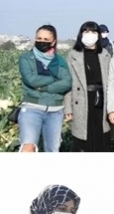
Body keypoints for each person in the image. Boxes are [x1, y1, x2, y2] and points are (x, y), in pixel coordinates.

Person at [17, 24, 72, 152]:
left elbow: (67, 82)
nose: (42, 41)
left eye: (46, 40)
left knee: (52, 150)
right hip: (32, 107)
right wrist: (54, 79)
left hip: (55, 110)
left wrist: (43, 88)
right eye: (39, 38)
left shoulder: (59, 61)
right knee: (28, 147)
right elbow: (31, 80)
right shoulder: (26, 58)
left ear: (53, 42)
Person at [64, 21, 114, 152]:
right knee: (82, 141)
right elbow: (67, 83)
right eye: (86, 32)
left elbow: (111, 83)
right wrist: (68, 108)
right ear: (80, 35)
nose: (89, 35)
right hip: (80, 101)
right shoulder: (73, 55)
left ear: (98, 35)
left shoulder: (105, 55)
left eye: (93, 32)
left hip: (100, 101)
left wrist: (112, 108)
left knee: (102, 139)